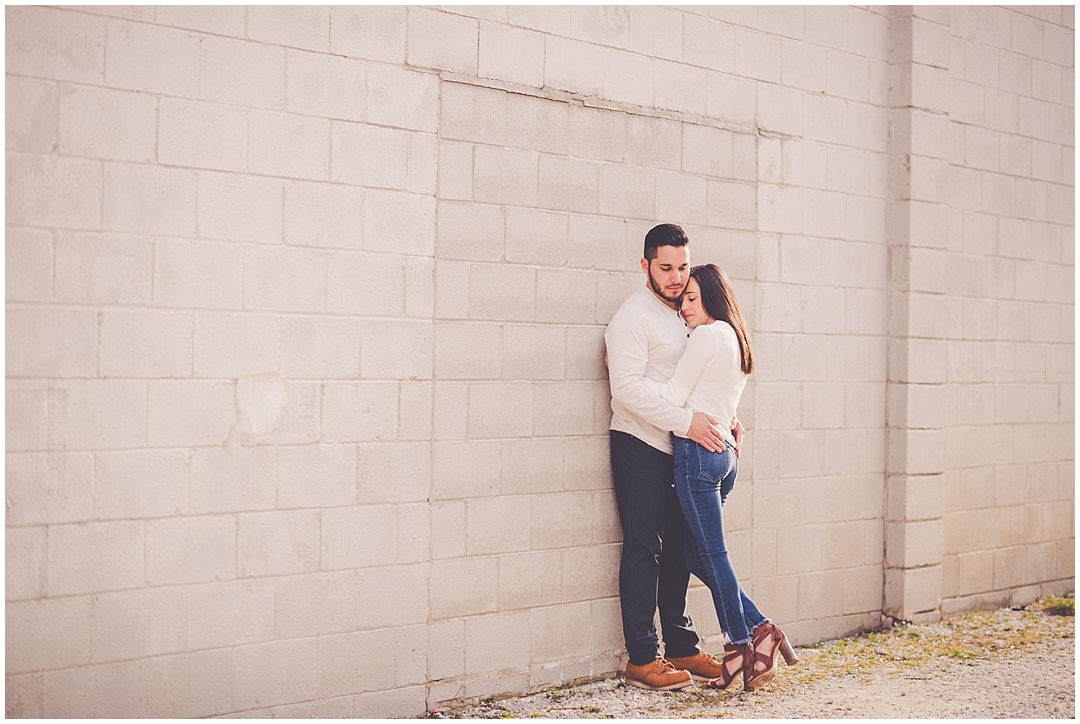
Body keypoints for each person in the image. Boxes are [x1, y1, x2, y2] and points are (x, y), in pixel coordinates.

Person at [643, 263, 798, 691]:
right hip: (725, 455)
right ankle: (761, 630)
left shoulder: (708, 335)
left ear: (712, 297)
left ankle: (739, 645)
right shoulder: (734, 338)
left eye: (693, 299)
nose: (684, 307)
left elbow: (674, 397)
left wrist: (629, 378)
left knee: (712, 554)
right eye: (683, 300)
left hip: (697, 455)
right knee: (698, 556)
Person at [605, 224, 743, 691]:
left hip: (684, 450)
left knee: (682, 551)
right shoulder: (631, 319)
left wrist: (725, 419)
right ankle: (643, 658)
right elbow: (626, 391)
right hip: (641, 443)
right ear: (645, 265)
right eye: (665, 268)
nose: (677, 277)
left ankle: (682, 647)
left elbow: (709, 373)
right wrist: (688, 423)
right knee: (646, 547)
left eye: (683, 267)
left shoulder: (690, 313)